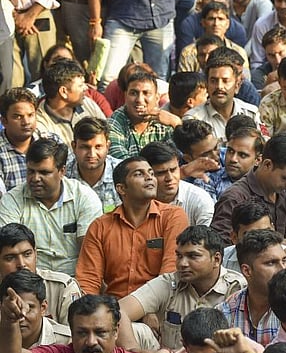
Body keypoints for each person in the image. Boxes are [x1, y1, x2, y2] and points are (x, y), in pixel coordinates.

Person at [117, 225, 246, 352]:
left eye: (193, 256)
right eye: (179, 256)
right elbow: (119, 310)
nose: (182, 263)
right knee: (131, 330)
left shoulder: (237, 287)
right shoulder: (169, 282)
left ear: (216, 259)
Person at [76, 156, 190, 298]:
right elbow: (88, 279)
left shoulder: (172, 216)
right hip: (114, 306)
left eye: (151, 173)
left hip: (161, 302)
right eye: (139, 174)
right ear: (121, 188)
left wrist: (144, 305)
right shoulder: (100, 227)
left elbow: (170, 271)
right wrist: (90, 308)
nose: (149, 177)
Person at [0, 138, 102, 275]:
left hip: (75, 279)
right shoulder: (12, 200)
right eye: (31, 171)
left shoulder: (84, 197)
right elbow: (9, 251)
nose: (35, 178)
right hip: (28, 279)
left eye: (44, 172)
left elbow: (90, 254)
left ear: (62, 171)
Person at [211, 132, 286, 246]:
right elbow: (219, 247)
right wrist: (274, 245)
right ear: (267, 164)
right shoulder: (234, 198)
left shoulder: (283, 192)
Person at [0, 293, 148, 353]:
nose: (91, 342)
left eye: (100, 333)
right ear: (71, 332)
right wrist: (10, 321)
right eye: (82, 333)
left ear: (115, 332)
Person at [216, 228, 286, 346]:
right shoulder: (226, 312)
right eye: (271, 263)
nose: (283, 269)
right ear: (247, 271)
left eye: (284, 260)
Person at [0, 223, 83, 325]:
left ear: (36, 254)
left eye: (27, 254)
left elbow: (76, 331)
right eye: (10, 258)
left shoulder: (62, 287)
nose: (21, 264)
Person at [0, 270, 70, 347]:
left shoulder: (67, 342)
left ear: (43, 308)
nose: (20, 318)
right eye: (13, 309)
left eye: (29, 308)